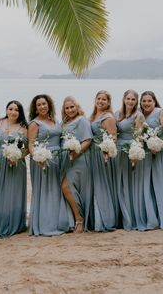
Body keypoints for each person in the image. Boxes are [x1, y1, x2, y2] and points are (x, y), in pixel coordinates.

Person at [27, 94, 71, 236]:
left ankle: (60, 221)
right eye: (39, 105)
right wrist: (37, 157)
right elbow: (31, 144)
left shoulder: (55, 120)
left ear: (49, 105)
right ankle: (46, 224)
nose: (42, 107)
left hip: (58, 159)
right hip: (43, 160)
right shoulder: (34, 123)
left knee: (57, 190)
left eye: (44, 104)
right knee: (45, 191)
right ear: (35, 108)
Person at [115, 90, 154, 231]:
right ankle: (121, 217)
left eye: (133, 99)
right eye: (128, 98)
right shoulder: (117, 114)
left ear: (136, 101)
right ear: (124, 99)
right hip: (118, 150)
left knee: (131, 185)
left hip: (131, 151)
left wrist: (136, 155)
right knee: (120, 184)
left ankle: (133, 218)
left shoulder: (139, 115)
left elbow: (139, 136)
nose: (130, 101)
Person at [0, 100, 28, 237]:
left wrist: (17, 157)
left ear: (20, 112)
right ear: (6, 110)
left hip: (16, 163)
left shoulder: (24, 127)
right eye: (10, 109)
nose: (13, 112)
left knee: (13, 192)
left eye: (16, 110)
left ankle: (13, 224)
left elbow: (28, 149)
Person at [140, 91, 163, 229]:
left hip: (161, 154)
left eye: (149, 101)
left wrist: (160, 144)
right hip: (146, 155)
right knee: (148, 186)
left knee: (160, 185)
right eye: (144, 101)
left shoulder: (161, 113)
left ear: (154, 101)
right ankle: (151, 217)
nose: (146, 103)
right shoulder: (140, 115)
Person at [60, 96, 93, 233]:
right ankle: (76, 218)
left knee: (66, 187)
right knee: (72, 188)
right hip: (67, 160)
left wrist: (75, 153)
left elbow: (87, 140)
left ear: (77, 107)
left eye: (72, 107)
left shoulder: (82, 120)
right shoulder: (66, 122)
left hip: (78, 159)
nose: (70, 110)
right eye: (67, 108)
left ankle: (80, 219)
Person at [88, 90, 118, 231]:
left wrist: (106, 153)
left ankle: (105, 219)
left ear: (108, 102)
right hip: (91, 154)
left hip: (101, 154)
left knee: (102, 185)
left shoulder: (108, 117)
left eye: (104, 99)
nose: (100, 101)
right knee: (94, 186)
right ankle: (95, 219)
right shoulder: (93, 116)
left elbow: (113, 137)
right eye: (98, 98)